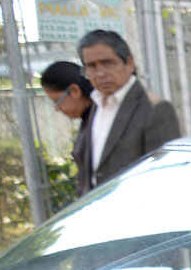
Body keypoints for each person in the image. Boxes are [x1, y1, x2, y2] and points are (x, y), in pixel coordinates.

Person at [76, 29, 181, 195]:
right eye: (91, 66)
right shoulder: (97, 104)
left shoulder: (155, 109)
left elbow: (166, 175)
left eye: (108, 63)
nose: (100, 73)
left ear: (129, 63)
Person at [40, 61, 95, 190]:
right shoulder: (89, 117)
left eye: (57, 101)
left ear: (75, 90)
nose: (57, 108)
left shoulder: (99, 118)